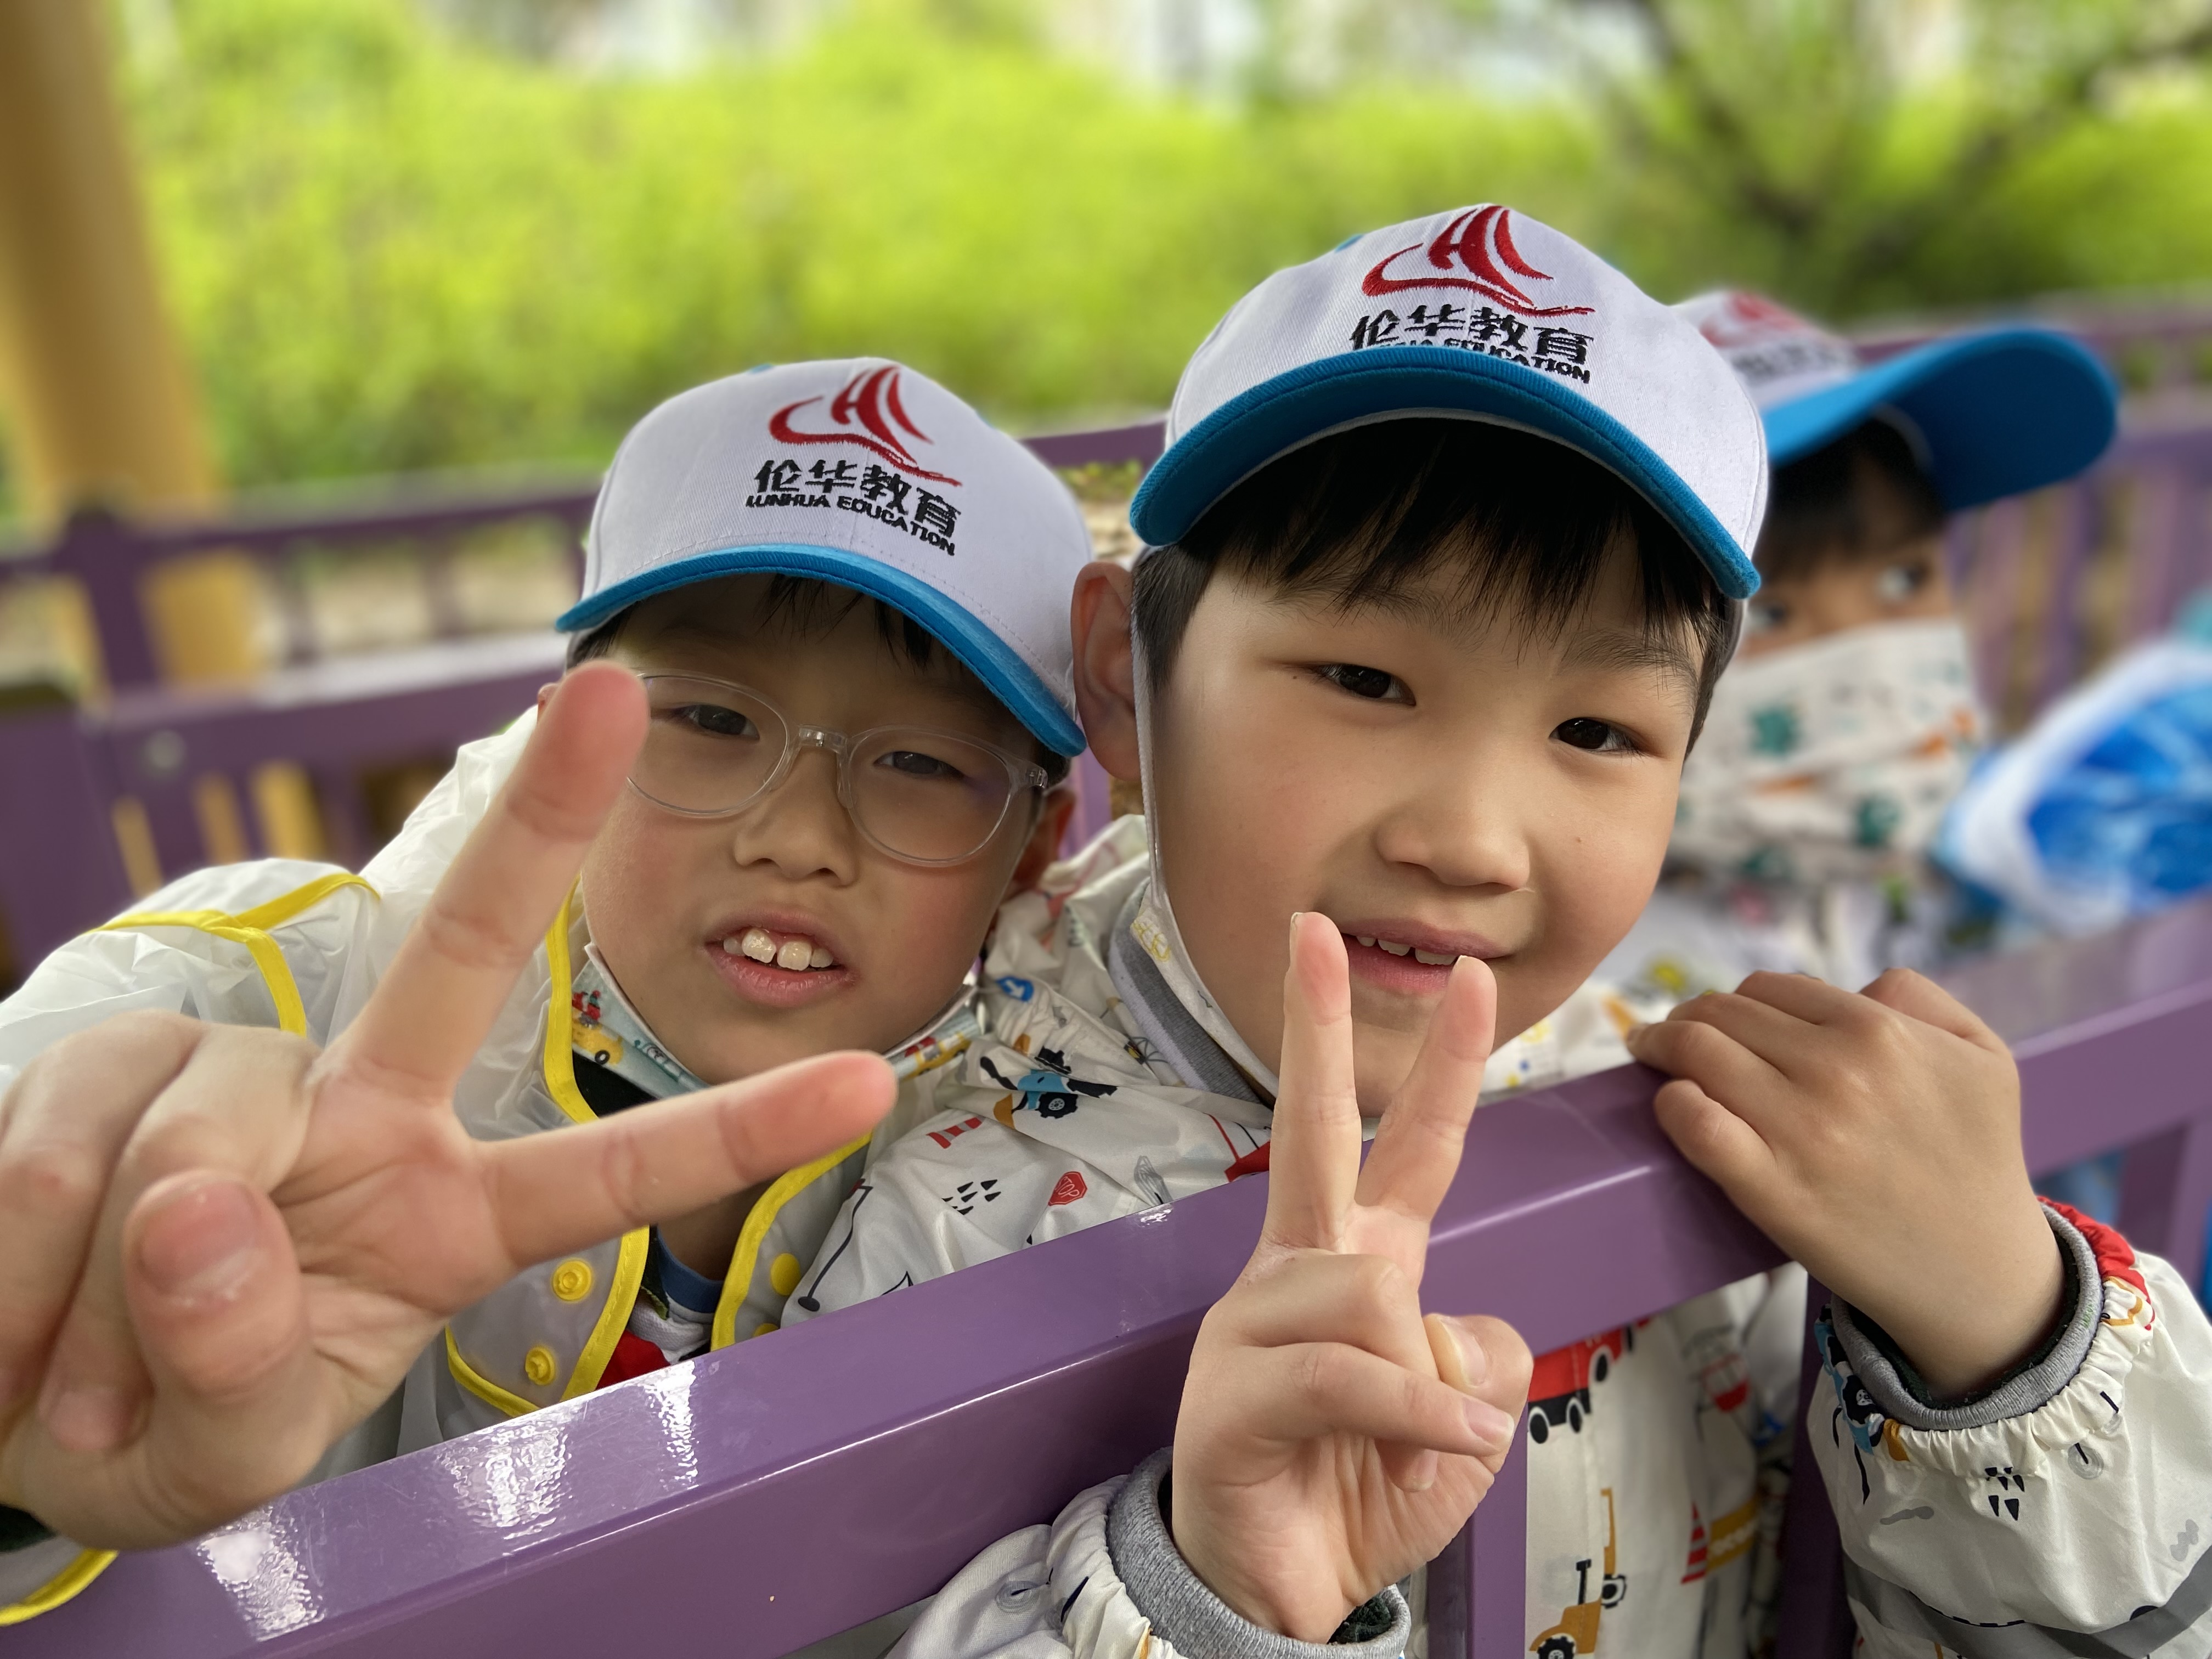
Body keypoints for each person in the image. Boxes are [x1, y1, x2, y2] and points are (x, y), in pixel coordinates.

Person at [778, 212, 2208, 1653]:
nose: (1470, 841)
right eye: (1364, 680)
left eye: (1596, 731)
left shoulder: (1686, 1117)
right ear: (1121, 678)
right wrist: (1212, 1605)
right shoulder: (934, 1231)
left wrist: (2010, 1346)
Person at [0, 358, 1092, 1617]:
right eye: (712, 721)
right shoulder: (267, 999)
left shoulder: (1068, 1135)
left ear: (1033, 848)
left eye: (920, 763)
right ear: (559, 730)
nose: (797, 837)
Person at [1600, 290, 2118, 1001]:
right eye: (1771, 613)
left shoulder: (1970, 865)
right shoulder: (1575, 984)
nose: (1871, 659)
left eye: (1906, 579)